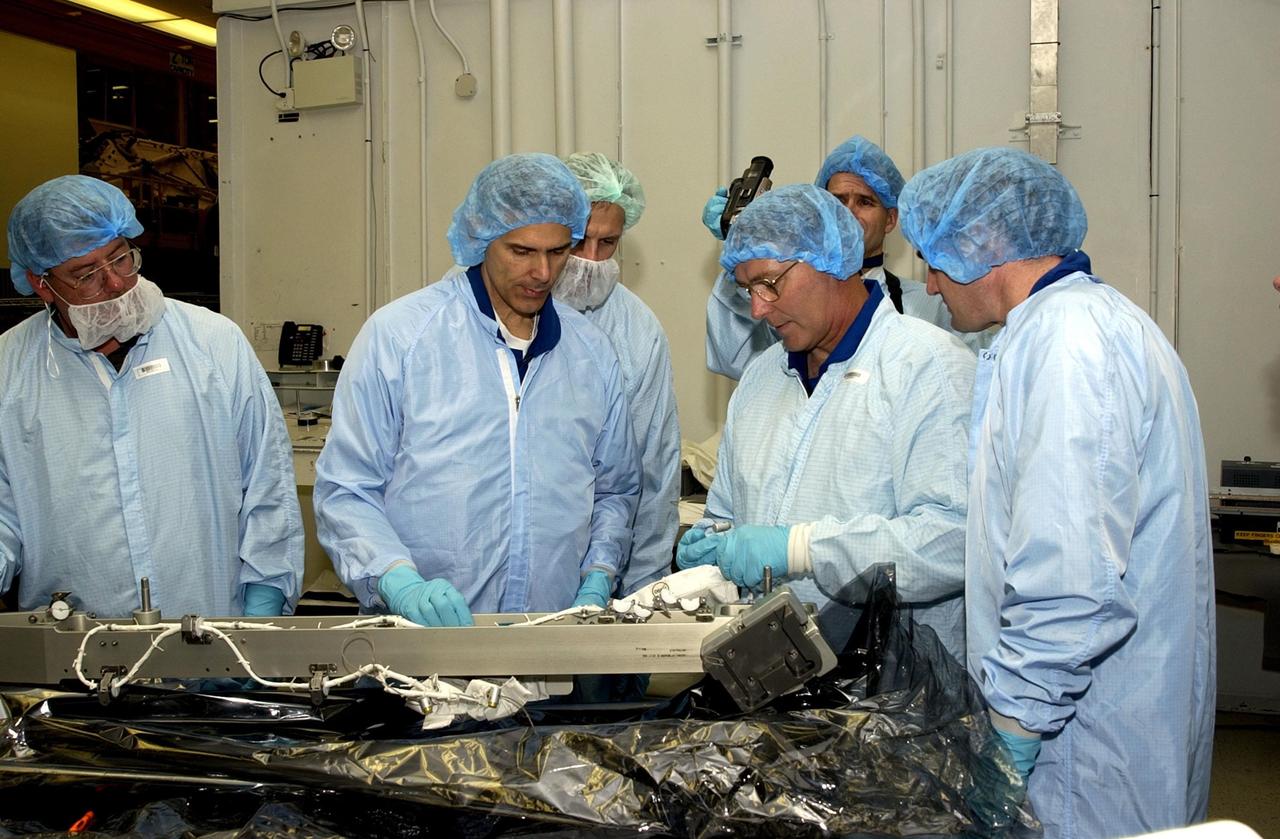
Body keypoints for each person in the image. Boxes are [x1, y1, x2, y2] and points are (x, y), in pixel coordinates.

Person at [898, 147, 1215, 839]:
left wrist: (1011, 732)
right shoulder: (1077, 325)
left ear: (980, 247)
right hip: (1088, 729)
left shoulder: (1069, 343)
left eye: (934, 257)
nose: (928, 281)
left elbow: (1071, 582)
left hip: (1083, 757)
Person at [314, 153, 641, 627]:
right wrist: (397, 581)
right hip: (421, 645)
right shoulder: (403, 337)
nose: (544, 273)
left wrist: (599, 570)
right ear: (482, 240)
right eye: (521, 251)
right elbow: (346, 489)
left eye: (557, 251)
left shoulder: (590, 352)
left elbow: (615, 488)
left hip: (549, 639)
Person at [675, 184, 975, 659]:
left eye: (771, 283)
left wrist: (801, 548)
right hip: (769, 675)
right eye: (748, 288)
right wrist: (712, 543)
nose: (758, 309)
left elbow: (953, 542)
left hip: (895, 689)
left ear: (832, 261)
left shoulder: (927, 366)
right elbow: (728, 514)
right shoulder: (761, 378)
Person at [0, 175, 303, 619]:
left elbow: (267, 485)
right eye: (85, 275)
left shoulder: (213, 342)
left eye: (120, 258)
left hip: (217, 632)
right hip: (75, 651)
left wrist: (264, 602)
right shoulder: (10, 368)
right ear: (42, 284)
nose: (116, 283)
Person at [701, 135, 992, 379]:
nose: (849, 212)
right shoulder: (784, 296)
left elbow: (971, 377)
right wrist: (747, 254)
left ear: (891, 218)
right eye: (838, 201)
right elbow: (735, 359)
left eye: (865, 202)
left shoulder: (932, 303)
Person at [559, 152, 679, 594]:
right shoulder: (477, 309)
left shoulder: (636, 329)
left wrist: (643, 592)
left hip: (603, 578)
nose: (590, 259)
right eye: (577, 239)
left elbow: (653, 470)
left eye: (607, 243)